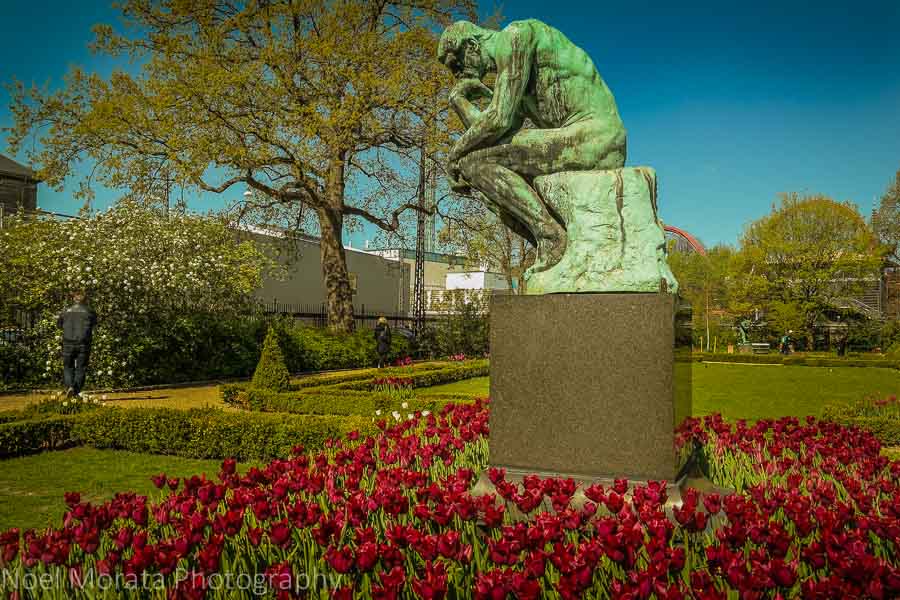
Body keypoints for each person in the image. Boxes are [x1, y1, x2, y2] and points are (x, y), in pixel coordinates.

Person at [438, 19, 627, 275]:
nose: (457, 74)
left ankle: (550, 236)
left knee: (470, 162)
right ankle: (548, 234)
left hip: (597, 136)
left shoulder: (516, 36)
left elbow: (498, 120)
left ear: (471, 46)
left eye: (455, 64)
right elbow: (493, 134)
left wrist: (455, 154)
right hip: (578, 139)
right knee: (474, 167)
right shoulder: (515, 77)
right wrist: (459, 101)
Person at [57, 290, 97, 397]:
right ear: (84, 300)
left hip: (68, 343)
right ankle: (76, 391)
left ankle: (70, 386)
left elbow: (59, 325)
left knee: (68, 366)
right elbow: (94, 324)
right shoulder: (90, 311)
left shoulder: (65, 311)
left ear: (74, 299)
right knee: (81, 367)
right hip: (83, 343)